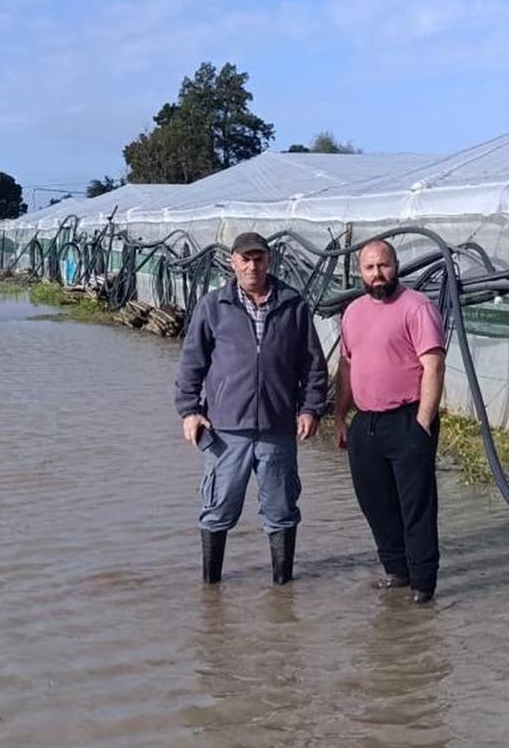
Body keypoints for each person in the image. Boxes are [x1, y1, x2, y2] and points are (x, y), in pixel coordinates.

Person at [175, 231, 329, 586]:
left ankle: (282, 586)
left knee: (281, 511)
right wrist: (189, 410)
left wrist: (310, 409)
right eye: (244, 259)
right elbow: (191, 364)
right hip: (225, 431)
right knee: (217, 509)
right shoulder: (213, 306)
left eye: (258, 258)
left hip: (277, 429)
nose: (252, 266)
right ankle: (211, 589)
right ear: (232, 262)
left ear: (268, 261)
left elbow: (313, 365)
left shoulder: (293, 305)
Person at [334, 239, 446, 603]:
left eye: (384, 266)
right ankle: (397, 570)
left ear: (396, 266)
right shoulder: (352, 312)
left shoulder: (416, 308)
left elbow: (433, 365)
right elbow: (347, 366)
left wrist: (423, 423)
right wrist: (340, 417)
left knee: (416, 506)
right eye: (369, 267)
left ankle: (423, 585)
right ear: (360, 272)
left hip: (407, 419)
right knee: (375, 503)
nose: (377, 274)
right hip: (366, 422)